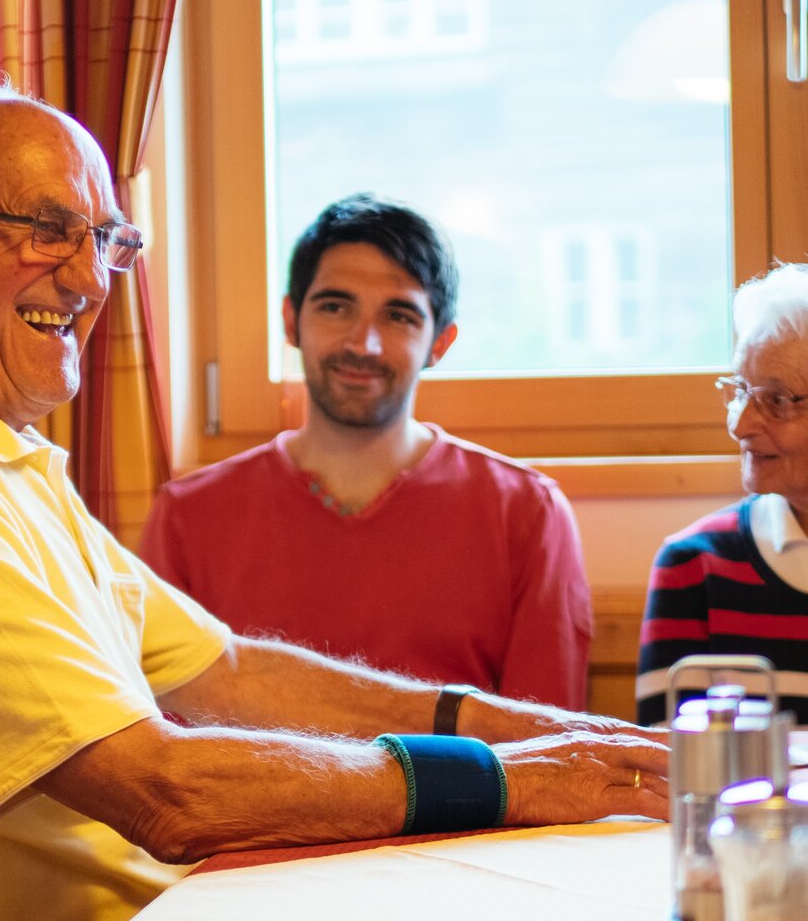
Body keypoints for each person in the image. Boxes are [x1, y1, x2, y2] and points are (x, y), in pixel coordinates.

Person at [0, 78, 666, 921]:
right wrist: (512, 776)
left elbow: (228, 670)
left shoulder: (5, 456)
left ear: (440, 340)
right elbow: (166, 789)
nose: (87, 278)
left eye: (106, 241)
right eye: (44, 230)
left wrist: (570, 739)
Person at [140, 194, 591, 709]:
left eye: (399, 316)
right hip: (247, 790)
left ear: (440, 343)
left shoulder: (526, 514)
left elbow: (546, 747)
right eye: (335, 307)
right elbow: (162, 738)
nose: (364, 344)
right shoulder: (189, 518)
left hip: (456, 793)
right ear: (291, 321)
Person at [637, 263, 808, 726]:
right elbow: (666, 770)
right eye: (740, 391)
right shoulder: (694, 565)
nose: (739, 424)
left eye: (776, 400)